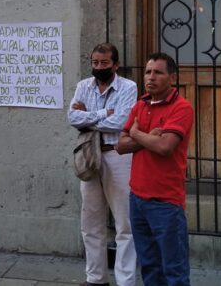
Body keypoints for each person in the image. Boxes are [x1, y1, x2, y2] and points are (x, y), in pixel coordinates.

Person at [117, 52, 194, 286]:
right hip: (137, 198)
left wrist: (136, 133)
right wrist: (147, 138)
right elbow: (120, 146)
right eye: (148, 72)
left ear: (172, 77)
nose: (151, 77)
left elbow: (164, 147)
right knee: (149, 267)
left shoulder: (181, 108)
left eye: (158, 72)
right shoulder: (140, 104)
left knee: (174, 271)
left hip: (165, 202)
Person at [67, 43, 138, 286]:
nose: (99, 67)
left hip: (117, 155)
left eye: (104, 63)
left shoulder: (128, 87)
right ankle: (96, 279)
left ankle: (125, 281)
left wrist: (87, 117)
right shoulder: (83, 86)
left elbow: (121, 122)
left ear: (115, 65)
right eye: (95, 62)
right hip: (90, 154)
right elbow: (71, 117)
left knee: (125, 223)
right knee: (90, 221)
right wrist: (103, 113)